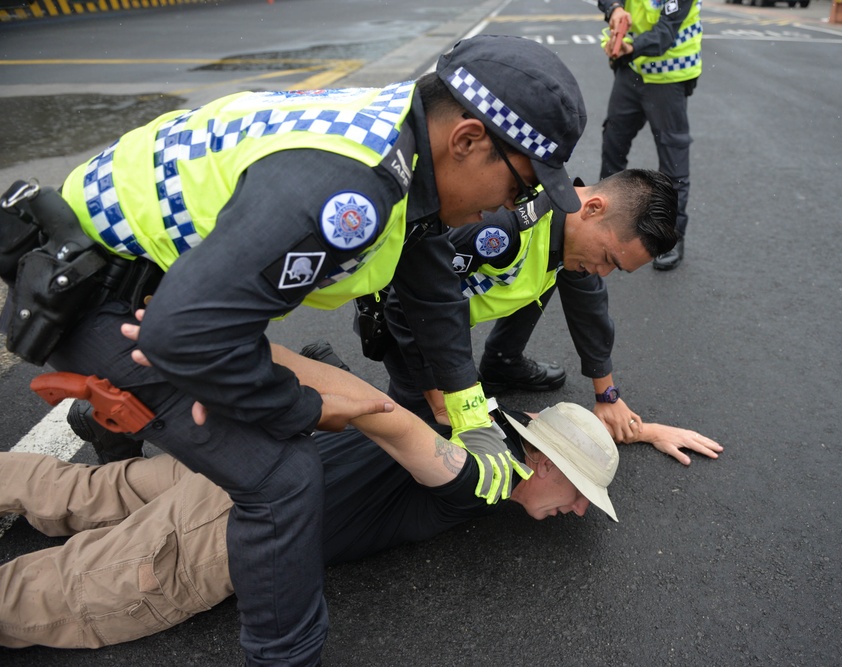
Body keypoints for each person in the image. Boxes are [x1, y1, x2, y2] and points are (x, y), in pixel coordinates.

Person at [0, 34, 586, 666]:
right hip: (114, 295)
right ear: (468, 140)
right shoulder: (351, 189)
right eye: (522, 186)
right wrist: (294, 407)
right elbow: (180, 336)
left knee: (165, 467)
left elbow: (432, 282)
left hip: (163, 287)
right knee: (282, 478)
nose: (511, 207)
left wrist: (469, 408)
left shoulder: (402, 145)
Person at [0, 346, 724, 650]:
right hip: (227, 531)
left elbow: (383, 401)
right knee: (55, 594)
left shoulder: (473, 410)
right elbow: (391, 423)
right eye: (580, 494)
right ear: (541, 458)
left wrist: (641, 428)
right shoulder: (478, 477)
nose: (575, 511)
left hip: (234, 467)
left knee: (81, 487)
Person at [385, 169, 678, 442]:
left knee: (559, 270)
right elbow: (404, 301)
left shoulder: (572, 224)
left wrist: (607, 395)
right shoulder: (501, 226)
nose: (603, 271)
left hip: (441, 311)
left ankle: (502, 363)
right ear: (593, 208)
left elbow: (589, 306)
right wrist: (442, 397)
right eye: (608, 259)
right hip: (402, 322)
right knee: (426, 437)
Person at [596, 0, 702, 271]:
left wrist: (630, 46)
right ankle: (602, 224)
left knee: (673, 165)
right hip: (631, 71)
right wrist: (615, 9)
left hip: (668, 78)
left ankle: (672, 237)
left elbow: (665, 32)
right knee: (613, 147)